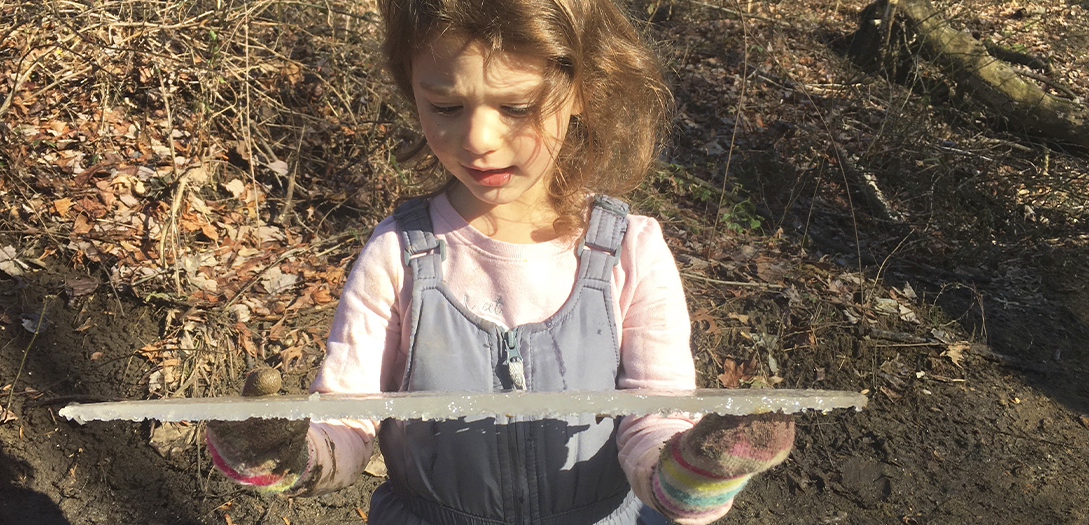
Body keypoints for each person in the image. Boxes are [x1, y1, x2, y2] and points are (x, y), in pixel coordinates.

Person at [205, 0, 795, 523]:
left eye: (516, 106)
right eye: (445, 105)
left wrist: (693, 473)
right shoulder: (398, 255)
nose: (479, 138)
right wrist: (287, 455)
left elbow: (652, 421)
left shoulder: (630, 251)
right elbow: (348, 418)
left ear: (582, 90)